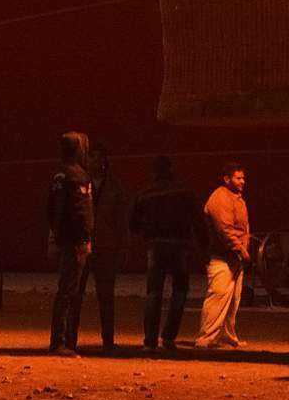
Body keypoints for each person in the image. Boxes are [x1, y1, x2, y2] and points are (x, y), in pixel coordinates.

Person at [130, 155, 196, 351]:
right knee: (180, 290)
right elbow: (197, 219)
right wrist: (204, 244)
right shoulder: (184, 191)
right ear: (171, 169)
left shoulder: (145, 193)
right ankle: (168, 336)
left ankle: (150, 340)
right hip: (180, 245)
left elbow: (133, 223)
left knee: (154, 292)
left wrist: (147, 233)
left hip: (156, 246)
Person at [47, 131, 95, 355]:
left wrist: (54, 235)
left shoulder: (57, 175)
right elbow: (82, 211)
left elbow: (49, 209)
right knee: (71, 292)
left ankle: (59, 340)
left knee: (64, 290)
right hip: (76, 242)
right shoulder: (79, 176)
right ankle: (64, 342)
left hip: (62, 239)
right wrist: (86, 237)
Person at [79, 145, 130, 351]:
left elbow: (121, 219)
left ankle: (107, 341)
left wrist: (122, 246)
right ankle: (69, 339)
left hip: (106, 248)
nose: (98, 162)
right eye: (94, 157)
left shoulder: (114, 188)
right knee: (76, 295)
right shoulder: (81, 184)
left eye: (101, 158)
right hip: (84, 246)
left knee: (106, 297)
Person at [197, 161, 250, 350]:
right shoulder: (220, 198)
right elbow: (225, 230)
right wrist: (241, 250)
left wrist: (243, 249)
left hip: (234, 258)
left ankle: (227, 336)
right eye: (238, 178)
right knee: (218, 296)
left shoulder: (237, 198)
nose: (242, 181)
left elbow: (242, 228)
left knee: (233, 300)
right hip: (221, 257)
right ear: (227, 179)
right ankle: (206, 338)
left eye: (243, 177)